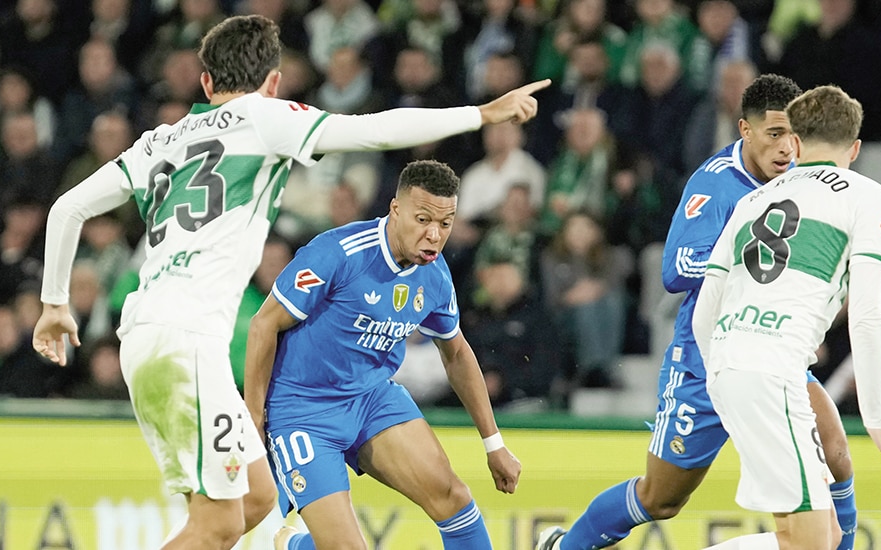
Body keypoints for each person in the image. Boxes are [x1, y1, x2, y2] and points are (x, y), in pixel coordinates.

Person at [31, 14, 547, 550]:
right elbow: (373, 130)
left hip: (152, 337)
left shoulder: (158, 141)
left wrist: (54, 302)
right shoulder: (263, 118)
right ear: (274, 84)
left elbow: (67, 208)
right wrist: (480, 113)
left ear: (205, 83)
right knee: (217, 524)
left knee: (254, 500)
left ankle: (290, 544)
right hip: (189, 341)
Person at [535, 74, 860, 550]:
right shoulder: (715, 182)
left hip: (773, 356)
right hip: (706, 358)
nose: (786, 149)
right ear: (744, 130)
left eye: (793, 136)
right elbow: (676, 268)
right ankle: (564, 547)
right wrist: (745, 263)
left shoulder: (805, 180)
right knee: (661, 498)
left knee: (836, 454)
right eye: (773, 135)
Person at [245, 160, 521, 550]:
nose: (434, 235)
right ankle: (295, 544)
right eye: (422, 219)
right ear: (395, 210)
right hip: (303, 410)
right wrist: (254, 419)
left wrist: (494, 445)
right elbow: (263, 326)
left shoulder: (436, 276)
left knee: (453, 498)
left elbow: (456, 353)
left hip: (372, 399)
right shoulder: (337, 253)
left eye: (445, 224)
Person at [691, 84, 881, 549]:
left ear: (796, 142)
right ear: (855, 148)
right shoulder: (866, 195)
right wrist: (876, 419)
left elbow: (704, 311)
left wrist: (721, 376)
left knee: (818, 536)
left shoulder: (753, 201)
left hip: (732, 365)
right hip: (773, 374)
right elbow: (868, 315)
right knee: (809, 544)